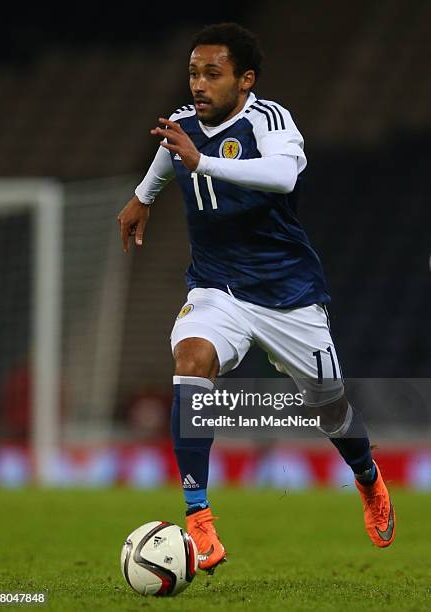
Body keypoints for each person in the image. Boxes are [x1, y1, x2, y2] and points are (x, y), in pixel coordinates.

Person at [117, 22, 395, 573]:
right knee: (191, 362)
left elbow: (284, 175)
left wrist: (203, 162)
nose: (199, 84)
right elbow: (170, 150)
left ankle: (367, 478)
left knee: (330, 407)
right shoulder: (183, 124)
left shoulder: (269, 119)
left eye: (212, 74)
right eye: (194, 72)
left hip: (287, 295)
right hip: (217, 288)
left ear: (244, 81)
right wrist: (142, 197)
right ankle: (200, 520)